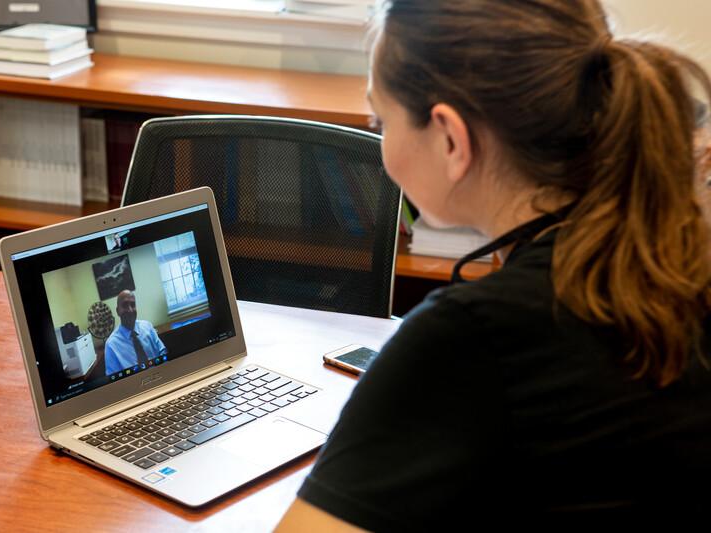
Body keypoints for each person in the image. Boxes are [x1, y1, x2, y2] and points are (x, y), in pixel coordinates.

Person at [277, 0, 711, 529]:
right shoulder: (679, 261)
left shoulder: (474, 334)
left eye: (379, 119)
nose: (379, 141)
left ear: (451, 139)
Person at [104, 290, 167, 375]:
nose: (130, 310)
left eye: (133, 305)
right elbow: (113, 379)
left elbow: (162, 352)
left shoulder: (147, 326)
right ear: (118, 311)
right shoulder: (111, 345)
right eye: (125, 305)